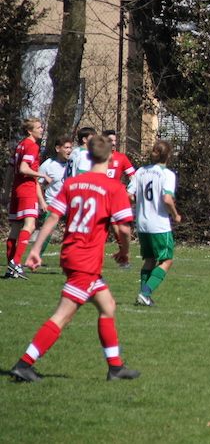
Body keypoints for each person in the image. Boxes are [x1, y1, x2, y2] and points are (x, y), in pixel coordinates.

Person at [9, 134, 140, 383]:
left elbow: (52, 218)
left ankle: (115, 367)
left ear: (88, 156)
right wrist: (125, 252)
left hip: (71, 254)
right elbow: (123, 228)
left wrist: (36, 249)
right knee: (63, 315)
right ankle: (24, 364)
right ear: (112, 157)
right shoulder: (114, 187)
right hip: (86, 260)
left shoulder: (74, 183)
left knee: (107, 306)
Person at [128, 140, 181, 306]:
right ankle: (145, 293)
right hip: (159, 224)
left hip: (142, 223)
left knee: (149, 259)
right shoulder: (167, 174)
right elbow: (166, 198)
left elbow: (129, 195)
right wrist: (175, 214)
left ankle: (143, 296)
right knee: (166, 260)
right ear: (168, 155)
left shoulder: (141, 172)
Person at [5, 117, 51, 279]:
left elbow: (11, 170)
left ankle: (11, 268)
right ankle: (16, 262)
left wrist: (5, 193)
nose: (41, 129)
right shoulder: (31, 146)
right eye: (38, 127)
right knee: (30, 225)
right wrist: (42, 174)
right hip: (26, 190)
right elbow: (24, 169)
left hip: (17, 190)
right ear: (30, 131)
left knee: (16, 228)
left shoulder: (20, 145)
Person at [35, 136, 73, 257]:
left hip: (71, 203)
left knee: (74, 232)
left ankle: (71, 259)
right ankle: (36, 256)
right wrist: (42, 202)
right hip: (53, 202)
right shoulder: (48, 165)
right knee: (48, 230)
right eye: (66, 147)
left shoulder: (73, 164)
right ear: (58, 148)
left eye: (70, 147)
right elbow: (37, 184)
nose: (69, 150)